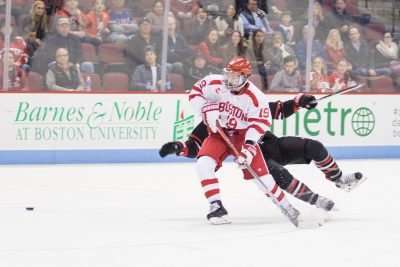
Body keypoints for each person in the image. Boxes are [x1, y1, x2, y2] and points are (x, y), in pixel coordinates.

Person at [186, 57, 306, 225]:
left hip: (243, 137)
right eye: (229, 75)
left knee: (261, 178)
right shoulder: (214, 82)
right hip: (219, 135)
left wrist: (248, 149)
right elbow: (195, 93)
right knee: (203, 164)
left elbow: (259, 124)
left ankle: (287, 207)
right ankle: (216, 206)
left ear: (245, 77)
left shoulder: (256, 97)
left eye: (236, 76)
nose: (230, 79)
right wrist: (205, 108)